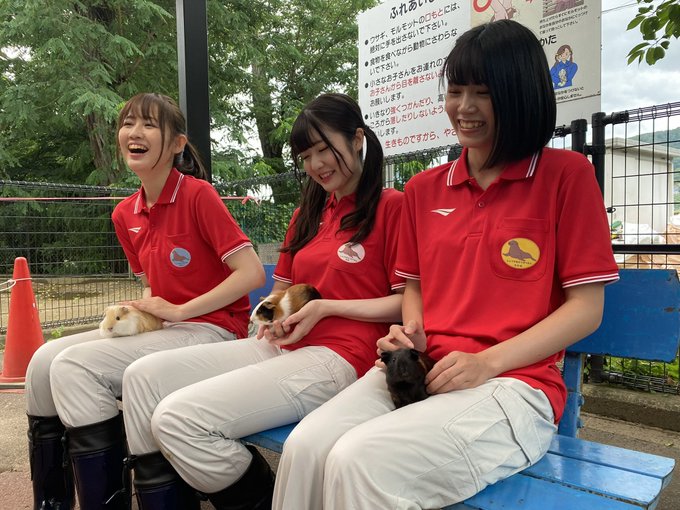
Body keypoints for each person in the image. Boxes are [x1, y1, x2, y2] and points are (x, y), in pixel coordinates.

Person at [272, 20, 619, 510]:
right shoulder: (424, 189)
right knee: (306, 449)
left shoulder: (566, 175)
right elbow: (414, 287)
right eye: (456, 91)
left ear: (521, 94)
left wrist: (487, 361)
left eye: (483, 92)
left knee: (358, 461)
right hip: (422, 369)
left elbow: (586, 308)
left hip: (515, 384)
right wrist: (412, 332)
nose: (464, 107)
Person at [120, 92, 405, 510]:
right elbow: (278, 291)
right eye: (306, 156)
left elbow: (403, 303)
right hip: (280, 344)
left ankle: (261, 498)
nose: (315, 165)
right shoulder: (307, 214)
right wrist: (269, 317)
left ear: (357, 139)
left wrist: (326, 307)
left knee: (178, 419)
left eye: (324, 149)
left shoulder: (392, 207)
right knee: (145, 377)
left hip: (343, 354)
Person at [24, 92, 265, 510]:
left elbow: (252, 274)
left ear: (177, 144)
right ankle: (52, 502)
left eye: (149, 124)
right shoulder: (125, 213)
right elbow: (155, 287)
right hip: (167, 330)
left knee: (76, 366)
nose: (135, 132)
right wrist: (142, 310)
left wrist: (180, 310)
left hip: (214, 330)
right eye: (128, 123)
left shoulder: (198, 195)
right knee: (43, 361)